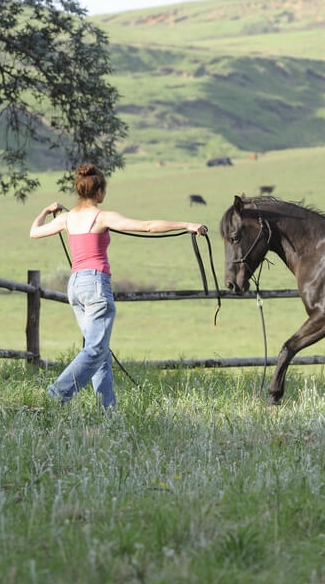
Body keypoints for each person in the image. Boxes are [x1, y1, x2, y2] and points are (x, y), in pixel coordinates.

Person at [29, 163, 207, 409]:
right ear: (99, 191)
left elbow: (34, 232)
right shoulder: (103, 217)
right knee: (94, 350)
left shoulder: (67, 218)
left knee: (100, 352)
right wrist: (187, 225)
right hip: (95, 285)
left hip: (76, 286)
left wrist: (47, 209)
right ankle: (56, 395)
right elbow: (147, 226)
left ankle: (108, 412)